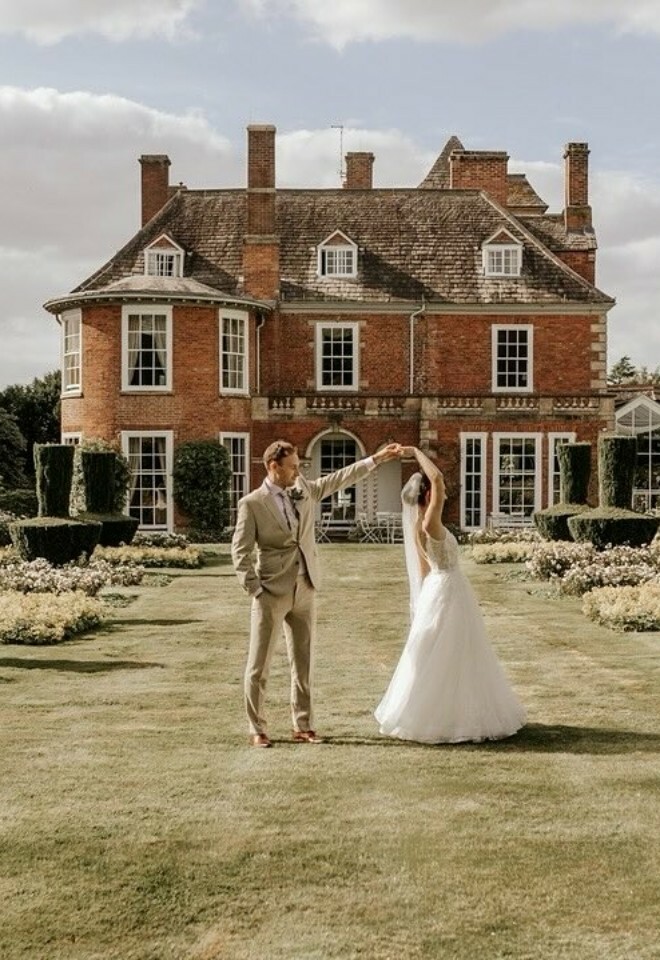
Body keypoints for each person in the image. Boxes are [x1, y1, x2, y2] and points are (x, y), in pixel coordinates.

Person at [232, 438, 401, 747]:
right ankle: (257, 728)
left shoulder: (304, 490)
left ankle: (303, 725)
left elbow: (339, 478)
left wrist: (375, 459)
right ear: (274, 467)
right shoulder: (252, 504)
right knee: (259, 666)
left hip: (305, 587)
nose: (298, 472)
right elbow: (240, 552)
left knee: (303, 662)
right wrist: (256, 590)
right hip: (271, 591)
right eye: (293, 467)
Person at [375, 446, 526, 744]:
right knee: (454, 653)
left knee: (443, 653)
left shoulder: (419, 528)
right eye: (435, 492)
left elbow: (422, 572)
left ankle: (444, 713)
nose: (440, 494)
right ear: (428, 497)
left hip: (437, 589)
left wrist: (425, 602)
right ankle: (449, 717)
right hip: (449, 590)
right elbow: (440, 477)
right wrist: (415, 452)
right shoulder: (431, 523)